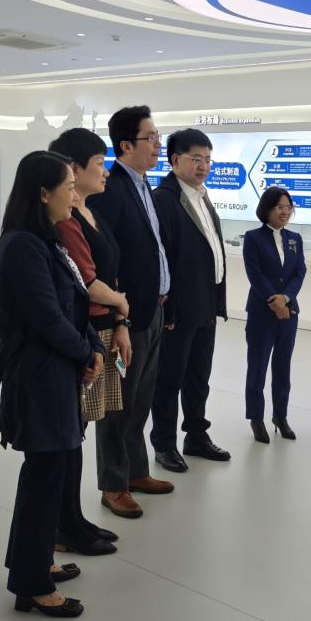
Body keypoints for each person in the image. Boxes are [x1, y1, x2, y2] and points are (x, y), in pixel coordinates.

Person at [0, 151, 104, 616]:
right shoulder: (22, 247)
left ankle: (33, 562)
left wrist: (92, 347)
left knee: (50, 474)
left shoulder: (49, 241)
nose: (75, 194)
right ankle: (31, 584)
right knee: (44, 477)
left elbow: (76, 303)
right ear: (43, 193)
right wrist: (85, 353)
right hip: (39, 377)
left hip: (58, 373)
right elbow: (47, 318)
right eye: (68, 186)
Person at [87, 105, 174, 517]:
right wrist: (117, 316)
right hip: (127, 315)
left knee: (141, 398)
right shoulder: (112, 189)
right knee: (118, 403)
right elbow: (107, 259)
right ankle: (113, 484)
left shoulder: (144, 186)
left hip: (153, 310)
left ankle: (136, 471)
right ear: (125, 145)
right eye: (150, 137)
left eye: (158, 136)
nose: (158, 144)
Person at [49, 128, 131, 554]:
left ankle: (72, 519)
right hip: (84, 332)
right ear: (74, 169)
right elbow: (87, 280)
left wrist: (121, 316)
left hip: (103, 327)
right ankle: (62, 526)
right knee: (71, 432)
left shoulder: (90, 212)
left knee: (78, 431)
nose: (106, 171)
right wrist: (121, 302)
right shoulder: (65, 222)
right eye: (99, 163)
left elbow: (108, 274)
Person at [150, 128, 231, 472]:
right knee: (169, 379)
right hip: (178, 309)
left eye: (208, 159)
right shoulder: (164, 199)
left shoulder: (201, 196)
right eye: (196, 158)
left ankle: (196, 435)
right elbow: (161, 258)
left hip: (205, 303)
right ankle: (164, 443)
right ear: (174, 160)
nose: (203, 166)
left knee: (199, 376)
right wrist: (167, 307)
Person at [242, 186, 306, 443]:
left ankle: (281, 416)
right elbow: (255, 274)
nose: (284, 212)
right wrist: (275, 300)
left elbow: (299, 272)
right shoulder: (253, 238)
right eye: (279, 207)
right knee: (257, 366)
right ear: (267, 209)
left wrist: (286, 298)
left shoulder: (295, 238)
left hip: (289, 312)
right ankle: (256, 418)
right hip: (262, 312)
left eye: (288, 207)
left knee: (283, 367)